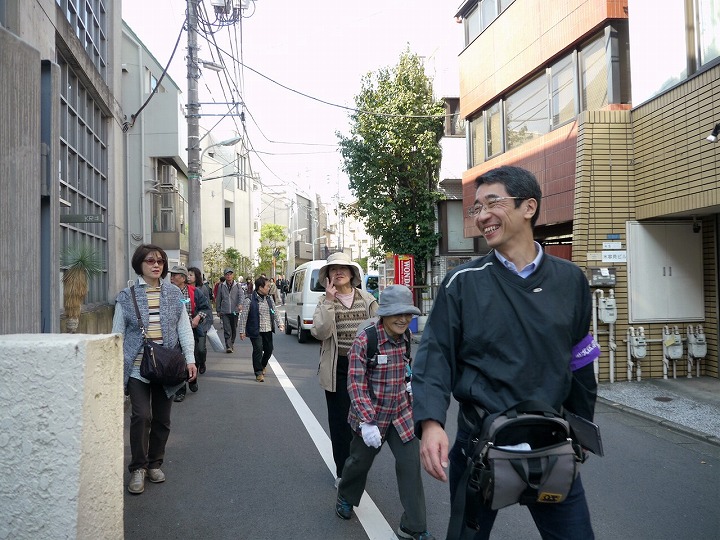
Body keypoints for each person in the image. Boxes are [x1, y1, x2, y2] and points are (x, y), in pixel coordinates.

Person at [412, 166, 598, 539]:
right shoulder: (463, 282)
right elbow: (435, 357)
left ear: (528, 207)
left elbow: (581, 363)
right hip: (480, 444)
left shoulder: (570, 280)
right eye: (476, 208)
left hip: (551, 442)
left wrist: (582, 429)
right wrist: (431, 423)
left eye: (491, 202)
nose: (481, 216)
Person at [335, 285, 435, 540]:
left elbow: (406, 373)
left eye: (408, 314)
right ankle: (346, 496)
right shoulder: (365, 339)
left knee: (410, 466)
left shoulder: (404, 339)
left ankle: (414, 526)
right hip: (371, 416)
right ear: (384, 314)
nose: (403, 319)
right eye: (397, 314)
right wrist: (367, 421)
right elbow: (355, 384)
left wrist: (411, 390)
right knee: (358, 463)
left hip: (400, 414)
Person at [112, 244, 197, 495]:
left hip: (167, 367)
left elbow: (184, 329)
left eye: (160, 261)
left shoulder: (173, 294)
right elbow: (117, 333)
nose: (156, 265)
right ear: (140, 264)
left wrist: (190, 359)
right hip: (138, 367)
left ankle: (154, 463)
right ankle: (137, 467)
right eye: (150, 261)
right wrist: (115, 369)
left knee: (162, 419)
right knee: (141, 416)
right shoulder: (126, 296)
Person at [311, 252, 378, 486]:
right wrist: (329, 301)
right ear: (327, 276)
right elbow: (319, 332)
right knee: (339, 423)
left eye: (343, 268)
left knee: (365, 420)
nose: (338, 272)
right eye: (333, 269)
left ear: (352, 274)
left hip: (364, 369)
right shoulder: (324, 302)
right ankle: (343, 472)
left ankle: (358, 464)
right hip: (337, 368)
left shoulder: (368, 299)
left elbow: (379, 332)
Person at [171, 265, 213, 402]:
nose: (171, 278)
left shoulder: (194, 292)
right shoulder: (169, 293)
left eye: (175, 275)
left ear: (183, 278)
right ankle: (180, 390)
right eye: (171, 275)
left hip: (193, 331)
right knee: (179, 361)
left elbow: (206, 308)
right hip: (175, 333)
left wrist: (198, 317)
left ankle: (192, 379)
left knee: (195, 355)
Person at [238, 276, 283, 382]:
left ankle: (262, 365)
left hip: (267, 329)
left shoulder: (269, 298)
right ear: (260, 288)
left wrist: (280, 323)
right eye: (267, 286)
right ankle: (258, 372)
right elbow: (244, 316)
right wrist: (242, 331)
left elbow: (275, 312)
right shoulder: (249, 299)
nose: (269, 288)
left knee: (269, 349)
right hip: (255, 330)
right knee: (258, 349)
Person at [215, 268, 244, 353]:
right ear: (225, 276)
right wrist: (218, 310)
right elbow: (218, 298)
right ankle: (228, 346)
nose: (229, 276)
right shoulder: (221, 286)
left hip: (235, 310)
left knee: (233, 328)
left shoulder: (237, 285)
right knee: (227, 329)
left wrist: (240, 304)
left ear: (233, 275)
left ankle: (231, 343)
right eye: (227, 274)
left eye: (230, 274)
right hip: (225, 311)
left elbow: (241, 296)